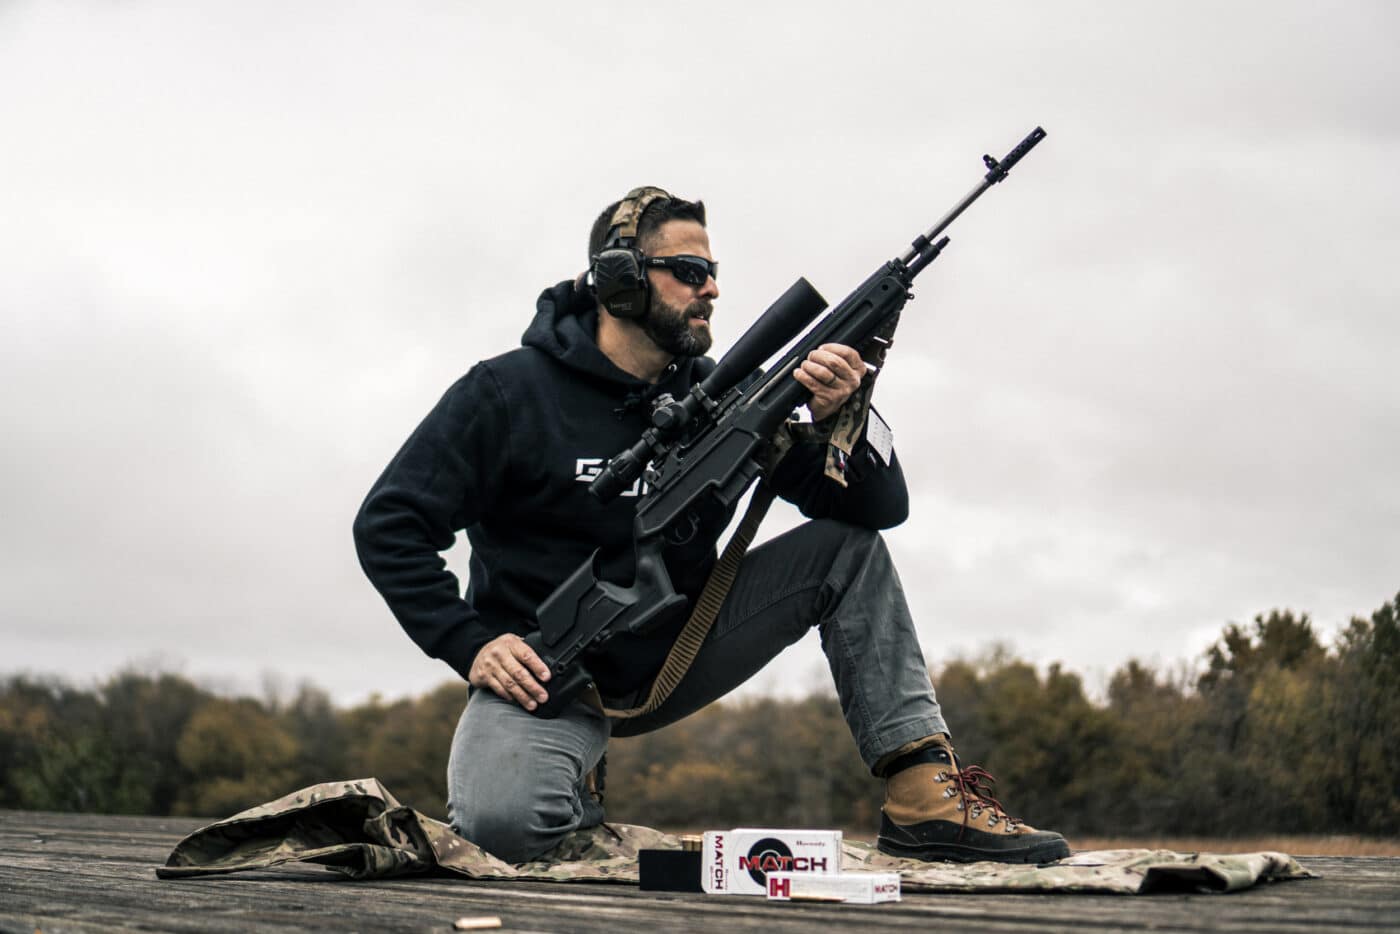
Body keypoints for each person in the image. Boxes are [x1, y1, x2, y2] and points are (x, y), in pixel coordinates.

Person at [353, 187, 1070, 866]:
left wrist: (842, 416)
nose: (712, 290)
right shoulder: (507, 393)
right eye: (689, 271)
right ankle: (573, 778)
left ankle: (923, 795)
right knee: (501, 829)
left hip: (683, 647)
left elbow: (877, 511)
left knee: (845, 553)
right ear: (621, 280)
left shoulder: (722, 400)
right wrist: (471, 643)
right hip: (547, 674)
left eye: (714, 272)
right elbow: (389, 523)